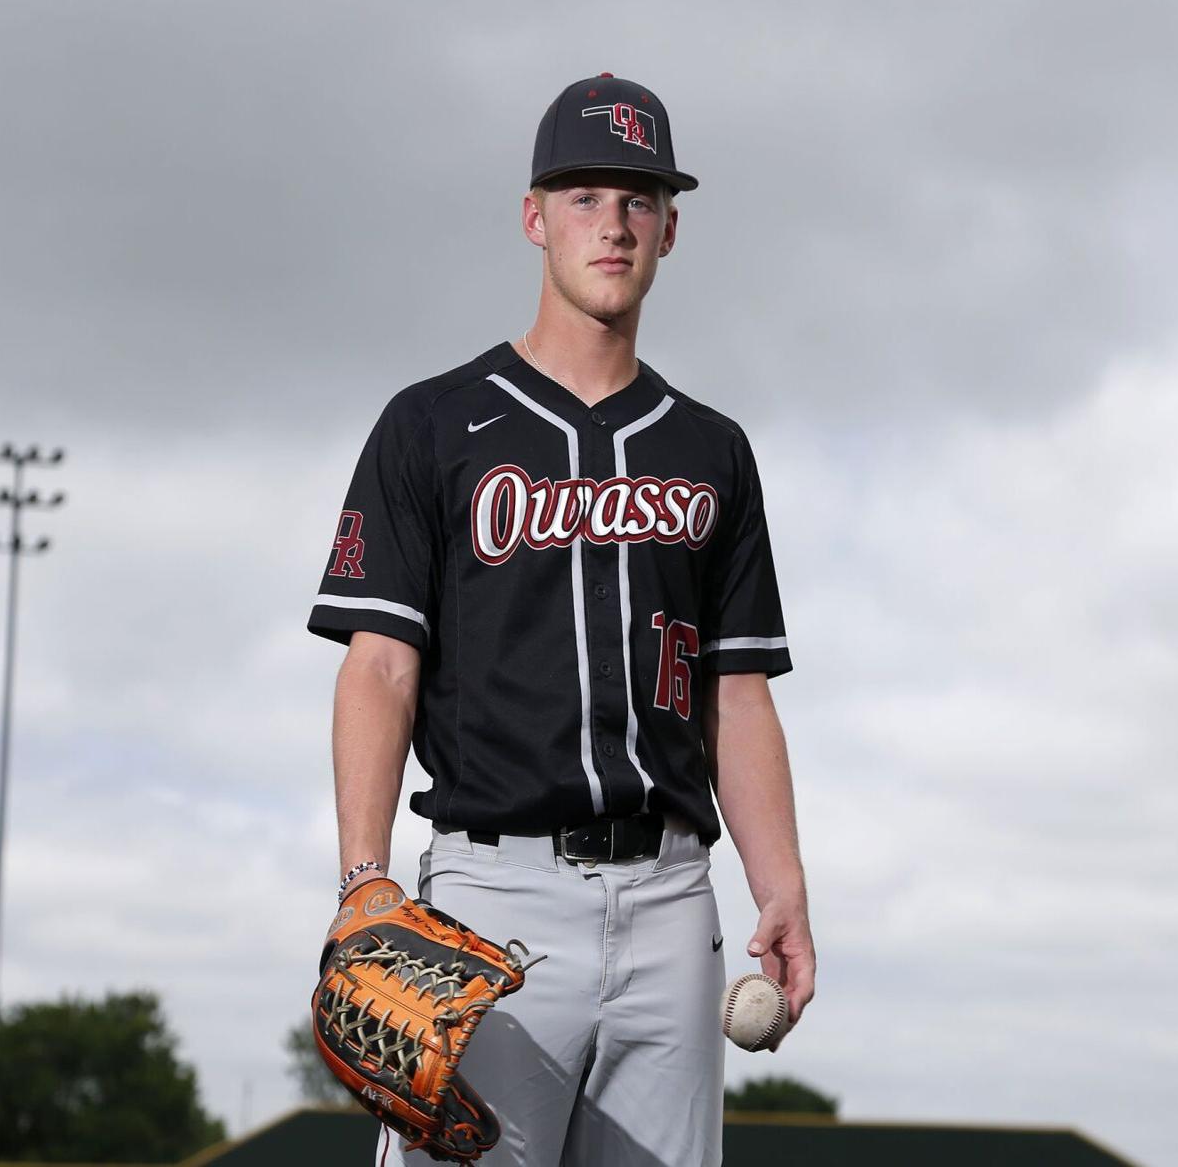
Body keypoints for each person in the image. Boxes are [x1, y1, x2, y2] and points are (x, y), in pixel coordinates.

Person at [308, 72, 814, 1166]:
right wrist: (363, 879)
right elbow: (380, 667)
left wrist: (780, 890)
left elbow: (736, 691)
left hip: (673, 897)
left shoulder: (710, 450)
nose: (613, 224)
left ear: (670, 229)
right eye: (584, 196)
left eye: (637, 199)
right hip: (490, 899)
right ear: (533, 216)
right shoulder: (431, 424)